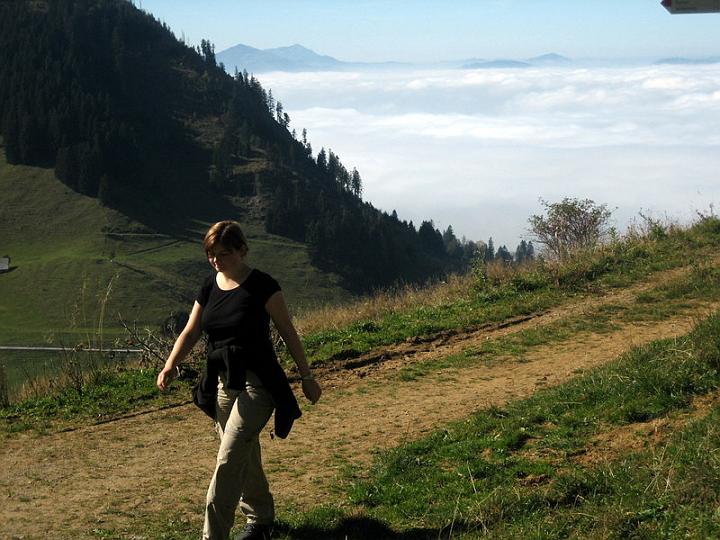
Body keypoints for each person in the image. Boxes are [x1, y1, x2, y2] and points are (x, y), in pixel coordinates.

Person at [157, 220, 322, 540]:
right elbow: (191, 330)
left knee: (229, 458)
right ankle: (261, 519)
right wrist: (170, 364)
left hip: (258, 384)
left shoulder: (263, 285)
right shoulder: (209, 286)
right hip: (222, 383)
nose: (216, 260)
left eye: (224, 253)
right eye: (211, 254)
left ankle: (213, 535)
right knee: (243, 453)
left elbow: (288, 331)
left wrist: (307, 377)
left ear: (242, 250)